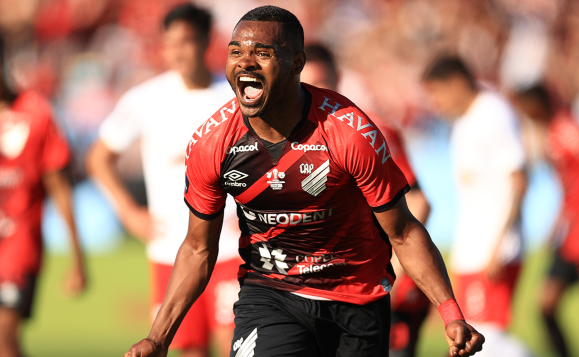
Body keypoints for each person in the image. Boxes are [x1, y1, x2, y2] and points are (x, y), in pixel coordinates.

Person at [125, 6, 485, 357]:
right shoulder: (212, 143)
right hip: (270, 294)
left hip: (356, 298)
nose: (245, 62)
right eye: (236, 52)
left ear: (296, 64)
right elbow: (197, 248)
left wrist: (451, 313)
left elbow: (403, 232)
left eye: (262, 53)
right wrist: (158, 338)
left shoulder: (349, 134)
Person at [86, 4, 239, 357]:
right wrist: (127, 211)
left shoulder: (232, 97)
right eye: (169, 43)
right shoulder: (146, 98)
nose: (176, 51)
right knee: (188, 350)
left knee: (236, 346)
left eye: (185, 41)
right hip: (169, 249)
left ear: (206, 42)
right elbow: (98, 158)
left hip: (231, 245)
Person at [301, 42, 432, 357]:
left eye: (324, 84)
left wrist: (398, 271)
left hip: (382, 283)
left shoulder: (370, 130)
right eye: (308, 86)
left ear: (339, 79)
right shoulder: (294, 139)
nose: (317, 94)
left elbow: (418, 202)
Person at [422, 56, 530, 357]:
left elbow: (519, 179)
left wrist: (499, 244)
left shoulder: (492, 113)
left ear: (457, 82)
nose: (436, 103)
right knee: (473, 339)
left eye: (438, 93)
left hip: (491, 249)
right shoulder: (464, 123)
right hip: (473, 250)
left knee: (485, 338)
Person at [0, 36, 86, 357]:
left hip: (18, 244)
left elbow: (60, 188)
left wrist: (77, 258)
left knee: (3, 338)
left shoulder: (35, 112)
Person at [514, 84, 579, 357]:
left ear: (537, 104)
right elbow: (571, 187)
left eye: (525, 107)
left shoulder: (567, 130)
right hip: (572, 237)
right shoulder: (552, 133)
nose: (524, 113)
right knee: (545, 304)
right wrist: (558, 223)